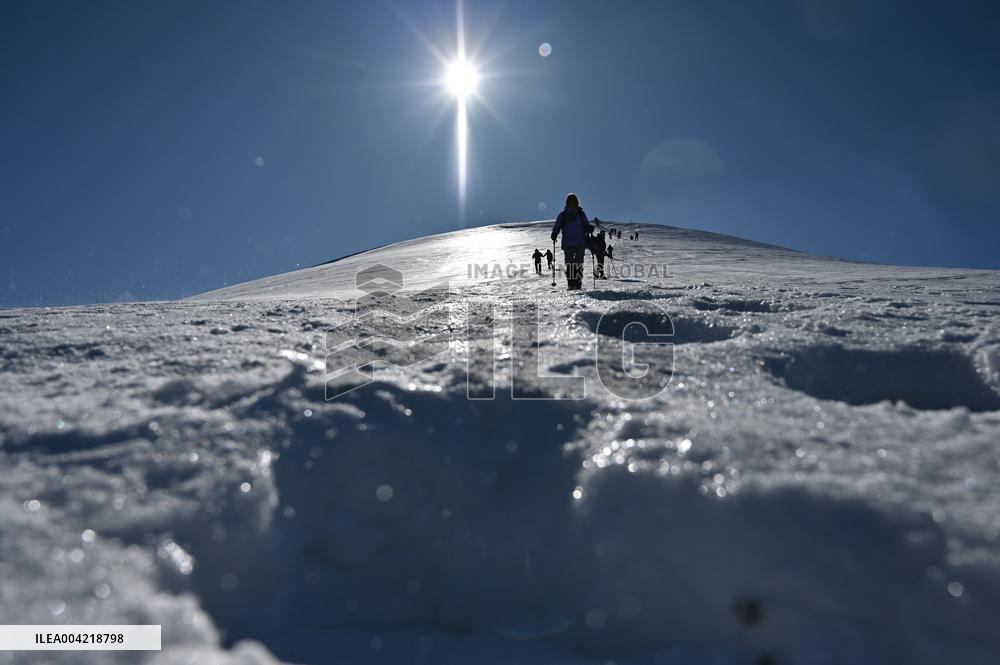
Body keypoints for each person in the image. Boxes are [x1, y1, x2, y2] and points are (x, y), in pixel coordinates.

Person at [551, 193, 592, 290]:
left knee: (576, 263)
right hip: (571, 243)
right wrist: (554, 233)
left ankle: (577, 282)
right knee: (571, 263)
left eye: (573, 202)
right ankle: (572, 282)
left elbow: (586, 225)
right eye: (570, 202)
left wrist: (589, 228)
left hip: (578, 242)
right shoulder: (563, 215)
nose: (572, 204)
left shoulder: (580, 214)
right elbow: (557, 225)